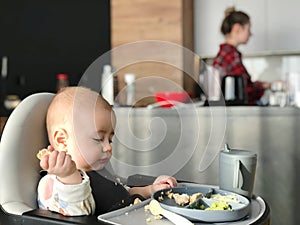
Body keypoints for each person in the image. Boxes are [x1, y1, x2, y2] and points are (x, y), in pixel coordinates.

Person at [37, 86, 177, 216]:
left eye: (109, 140)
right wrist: (68, 176)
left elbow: (123, 196)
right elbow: (77, 213)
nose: (109, 147)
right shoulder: (53, 184)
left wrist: (150, 190)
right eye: (98, 139)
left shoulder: (101, 174)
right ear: (62, 141)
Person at [213, 7, 270, 105]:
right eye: (248, 29)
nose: (251, 34)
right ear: (237, 29)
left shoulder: (229, 53)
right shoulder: (230, 55)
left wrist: (262, 85)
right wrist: (265, 86)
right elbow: (245, 91)